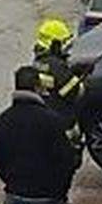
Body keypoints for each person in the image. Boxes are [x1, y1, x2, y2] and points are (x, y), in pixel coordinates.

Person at [0, 65, 82, 204]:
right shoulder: (51, 121)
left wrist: (14, 184)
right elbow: (66, 162)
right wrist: (59, 193)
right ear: (38, 87)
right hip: (49, 202)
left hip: (16, 200)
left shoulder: (2, 121)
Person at [33, 18, 85, 148]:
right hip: (63, 126)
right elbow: (74, 93)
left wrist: (69, 72)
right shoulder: (57, 66)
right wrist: (79, 77)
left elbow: (53, 83)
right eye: (63, 44)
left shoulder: (38, 62)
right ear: (54, 44)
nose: (66, 49)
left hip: (45, 120)